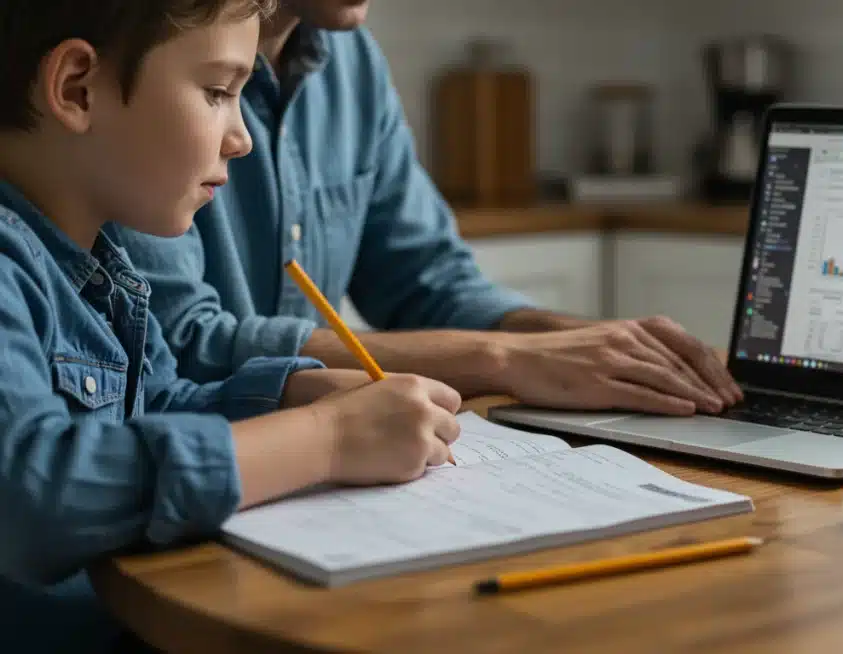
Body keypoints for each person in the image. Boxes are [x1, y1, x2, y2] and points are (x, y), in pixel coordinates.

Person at [0, 2, 467, 651]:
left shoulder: (100, 266)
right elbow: (35, 494)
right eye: (218, 92)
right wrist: (325, 439)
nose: (240, 136)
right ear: (78, 88)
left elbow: (156, 404)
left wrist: (287, 393)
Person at [109, 0, 744, 417]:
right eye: (221, 92)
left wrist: (588, 345)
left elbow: (428, 281)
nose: (236, 130)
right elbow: (178, 345)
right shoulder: (140, 62)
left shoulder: (353, 64)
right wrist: (503, 360)